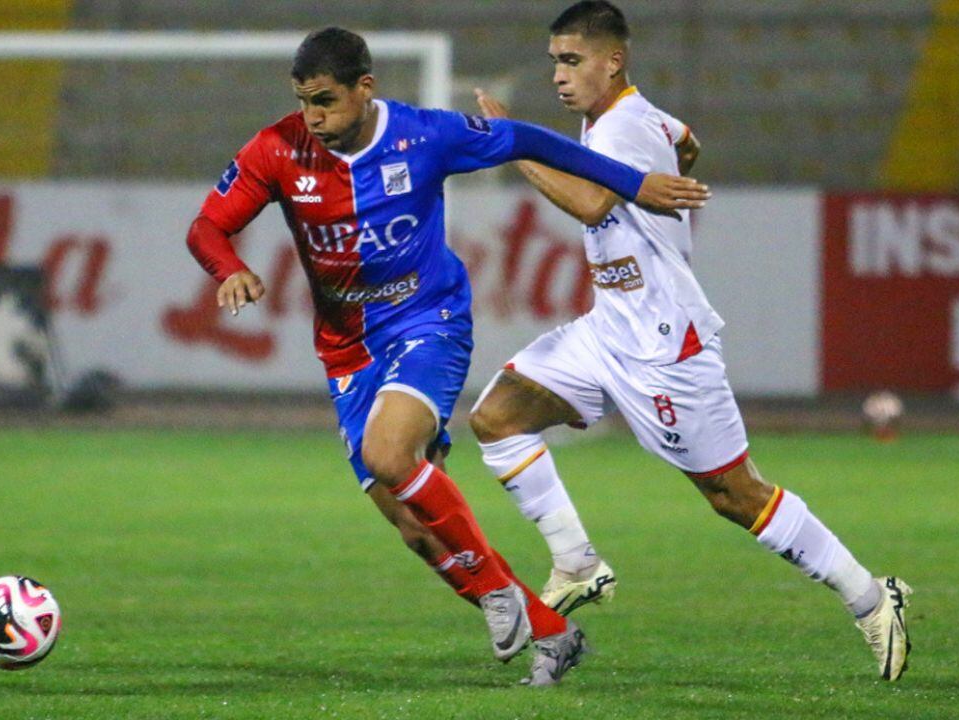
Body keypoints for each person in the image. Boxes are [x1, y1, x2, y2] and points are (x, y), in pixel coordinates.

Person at [184, 26, 709, 685]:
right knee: (411, 527)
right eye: (304, 101)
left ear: (364, 89)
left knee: (387, 454)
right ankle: (551, 632)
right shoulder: (278, 148)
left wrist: (632, 183)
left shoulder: (423, 136)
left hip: (427, 322)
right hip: (347, 348)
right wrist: (227, 266)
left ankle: (498, 594)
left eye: (325, 101)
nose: (313, 118)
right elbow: (207, 225)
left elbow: (525, 138)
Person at [469, 0, 913, 681]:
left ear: (613, 61)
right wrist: (679, 141)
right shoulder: (624, 119)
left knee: (736, 495)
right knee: (497, 417)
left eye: (572, 61)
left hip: (662, 344)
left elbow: (592, 203)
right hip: (607, 327)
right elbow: (683, 135)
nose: (558, 75)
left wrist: (511, 141)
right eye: (554, 61)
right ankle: (578, 561)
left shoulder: (618, 131)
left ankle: (869, 597)